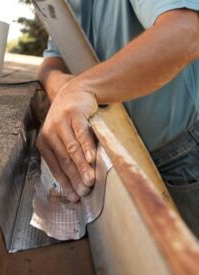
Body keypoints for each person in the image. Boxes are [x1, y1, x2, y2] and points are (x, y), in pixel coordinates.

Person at [36, 0, 199, 236]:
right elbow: (51, 63)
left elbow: (186, 31)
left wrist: (84, 88)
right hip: (120, 157)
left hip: (182, 158)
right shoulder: (64, 4)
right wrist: (61, 88)